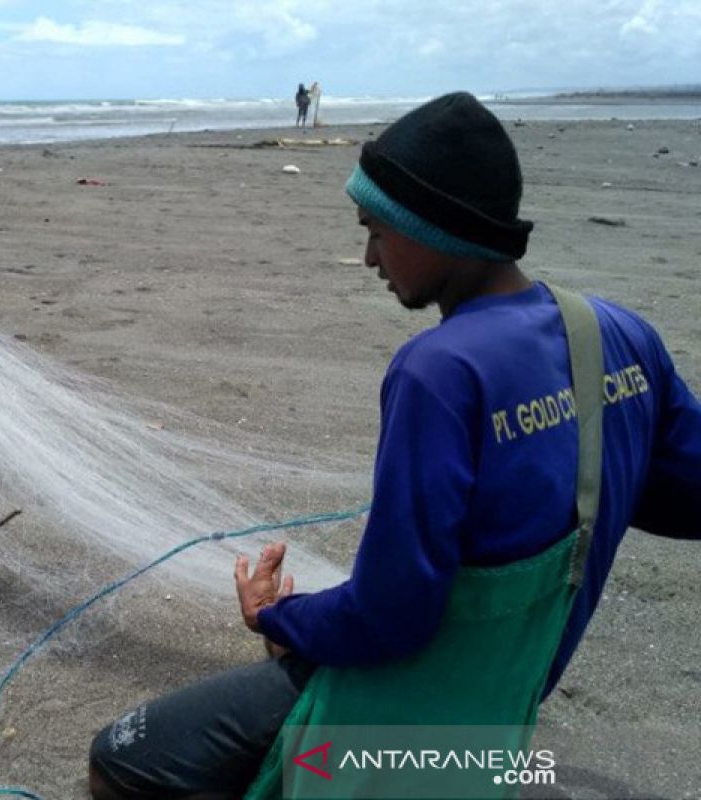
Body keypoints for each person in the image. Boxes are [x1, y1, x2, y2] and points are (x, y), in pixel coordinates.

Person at [88, 91, 701, 799]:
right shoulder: (618, 335)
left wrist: (274, 613)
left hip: (424, 711)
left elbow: (394, 614)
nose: (371, 256)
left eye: (378, 231)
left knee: (121, 761)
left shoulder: (439, 372)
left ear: (438, 229)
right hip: (502, 709)